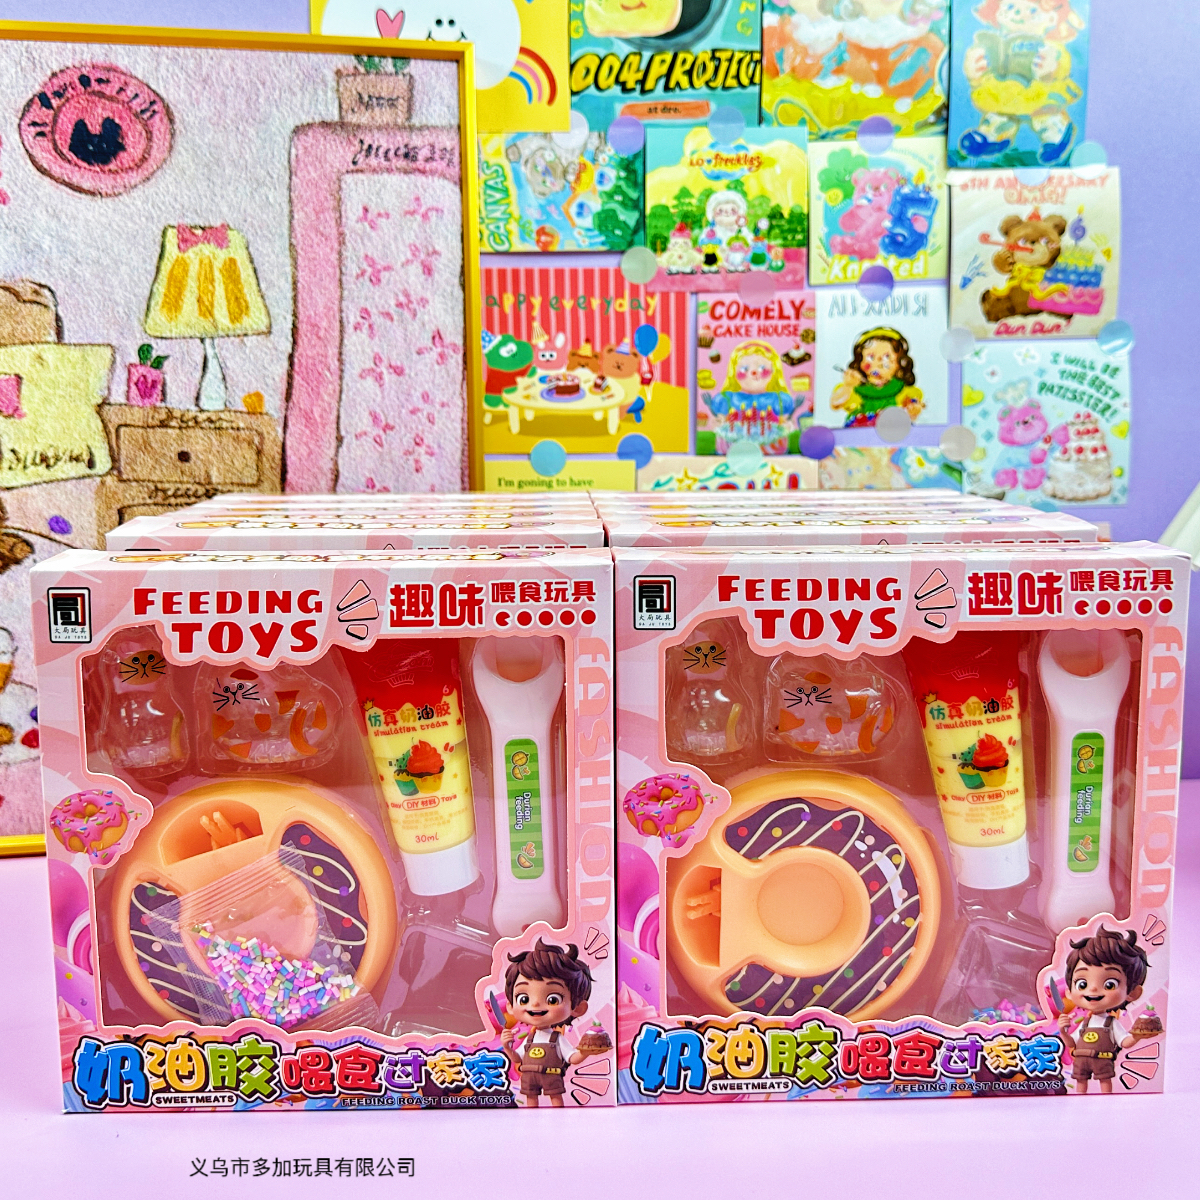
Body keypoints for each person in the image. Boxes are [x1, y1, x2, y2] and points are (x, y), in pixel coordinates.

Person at [501, 940, 604, 1108]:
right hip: (529, 1075)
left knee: (556, 1099)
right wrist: (507, 1047)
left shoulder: (557, 1039)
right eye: (524, 998)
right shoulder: (529, 1039)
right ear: (511, 1006)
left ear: (577, 1008)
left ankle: (559, 1121)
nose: (535, 1004)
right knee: (531, 1100)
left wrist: (585, 1052)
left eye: (553, 999)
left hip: (552, 1075)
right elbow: (517, 1058)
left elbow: (572, 1058)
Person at [1058, 926, 1158, 1095]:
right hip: (1081, 1058)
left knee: (1105, 1082)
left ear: (1132, 993)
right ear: (1069, 991)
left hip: (1103, 1059)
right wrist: (1063, 1031)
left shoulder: (1112, 1023)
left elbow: (1124, 1042)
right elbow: (1071, 1043)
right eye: (1082, 984)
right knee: (1080, 1082)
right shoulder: (1084, 1023)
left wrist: (1137, 1036)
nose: (1093, 989)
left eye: (1109, 984)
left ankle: (1107, 1103)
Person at [830, 327, 924, 427]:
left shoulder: (902, 389)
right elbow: (835, 404)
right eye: (870, 357)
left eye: (887, 357)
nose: (878, 364)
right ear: (860, 361)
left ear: (900, 363)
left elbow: (915, 408)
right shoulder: (855, 388)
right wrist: (848, 386)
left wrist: (914, 409)